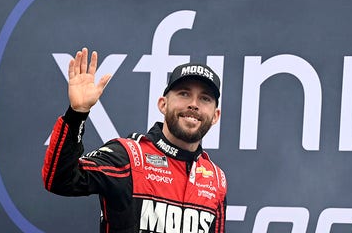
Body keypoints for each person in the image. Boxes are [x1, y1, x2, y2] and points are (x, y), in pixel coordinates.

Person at [42, 48, 227, 233]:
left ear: (215, 116)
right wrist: (77, 114)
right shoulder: (129, 156)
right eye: (184, 94)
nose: (193, 104)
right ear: (163, 104)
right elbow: (59, 180)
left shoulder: (215, 180)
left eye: (204, 98)